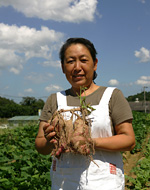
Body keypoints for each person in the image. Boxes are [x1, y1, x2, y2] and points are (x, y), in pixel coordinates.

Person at [35, 38, 135, 190]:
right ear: (62, 67)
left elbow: (129, 140)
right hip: (64, 181)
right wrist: (51, 140)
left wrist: (89, 142)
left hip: (104, 181)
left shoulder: (112, 95)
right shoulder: (55, 99)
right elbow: (40, 145)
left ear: (94, 64)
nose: (77, 67)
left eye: (83, 60)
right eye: (70, 61)